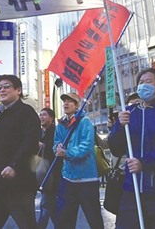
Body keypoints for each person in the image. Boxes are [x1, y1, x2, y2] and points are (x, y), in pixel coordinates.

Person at [108, 68, 155, 229]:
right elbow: (115, 148)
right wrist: (119, 127)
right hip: (133, 190)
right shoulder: (129, 112)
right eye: (141, 83)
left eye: (148, 82)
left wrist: (144, 163)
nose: (143, 85)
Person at [0, 74, 40, 229]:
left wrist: (14, 165)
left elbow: (30, 143)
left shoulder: (27, 113)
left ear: (18, 90)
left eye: (6, 86)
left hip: (20, 185)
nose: (1, 90)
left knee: (27, 225)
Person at [53, 92, 104, 229]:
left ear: (77, 106)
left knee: (94, 219)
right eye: (64, 101)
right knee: (64, 220)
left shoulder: (85, 122)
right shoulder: (61, 124)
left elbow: (86, 147)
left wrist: (67, 153)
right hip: (68, 178)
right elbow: (56, 143)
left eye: (70, 101)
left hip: (87, 179)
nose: (65, 104)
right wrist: (57, 149)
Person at [37, 107, 60, 228]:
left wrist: (43, 146)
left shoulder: (56, 132)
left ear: (51, 118)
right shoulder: (38, 132)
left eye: (44, 115)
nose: (41, 117)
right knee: (52, 206)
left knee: (46, 204)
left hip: (53, 173)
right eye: (40, 115)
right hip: (42, 173)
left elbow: (55, 151)